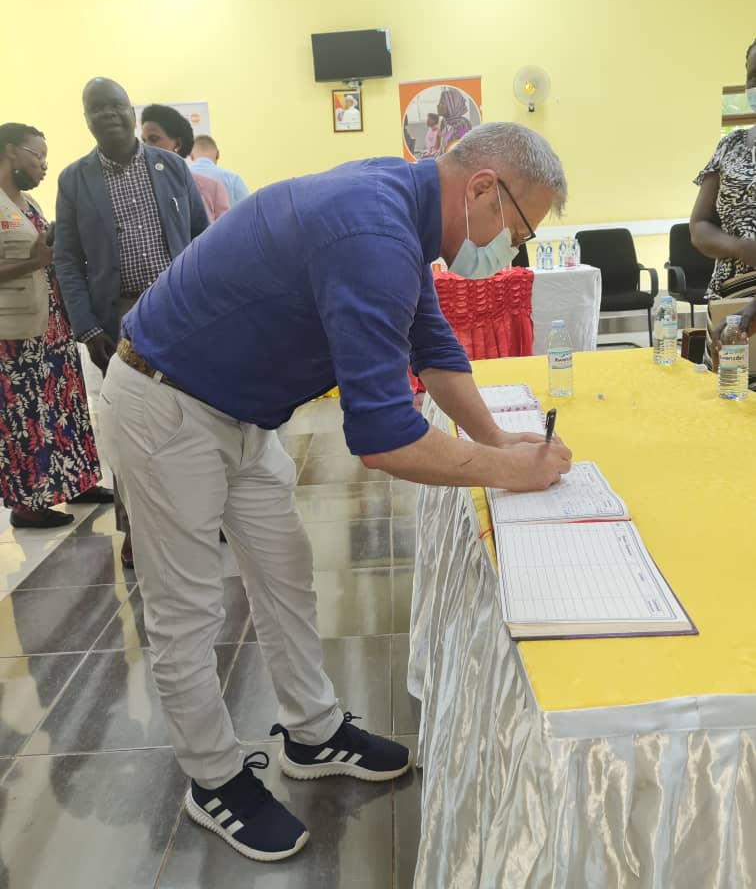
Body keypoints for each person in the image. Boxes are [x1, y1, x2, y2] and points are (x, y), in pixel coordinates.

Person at [97, 121, 571, 863]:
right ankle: (212, 776)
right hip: (167, 401)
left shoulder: (403, 205)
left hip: (241, 409)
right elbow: (383, 438)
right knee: (187, 608)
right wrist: (512, 471)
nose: (512, 247)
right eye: (519, 227)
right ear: (482, 188)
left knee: (284, 574)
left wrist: (495, 441)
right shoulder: (372, 229)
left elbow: (432, 343)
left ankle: (313, 733)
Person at [55, 78, 208, 566]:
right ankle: (135, 526)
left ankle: (204, 517)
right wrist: (87, 328)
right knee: (130, 427)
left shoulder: (171, 166)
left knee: (198, 416)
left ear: (131, 110)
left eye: (115, 106)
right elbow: (67, 260)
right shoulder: (74, 180)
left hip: (179, 309)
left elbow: (204, 239)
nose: (107, 115)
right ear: (86, 119)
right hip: (118, 320)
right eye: (96, 109)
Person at [0, 123, 112, 528]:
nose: (44, 164)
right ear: (11, 151)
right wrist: (34, 262)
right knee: (26, 416)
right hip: (14, 336)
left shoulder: (27, 202)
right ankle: (26, 504)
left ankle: (77, 483)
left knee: (65, 407)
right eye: (37, 155)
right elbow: (33, 260)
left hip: (52, 325)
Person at [691, 37, 756, 366]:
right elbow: (699, 225)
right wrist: (738, 247)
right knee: (729, 403)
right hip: (729, 302)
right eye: (752, 76)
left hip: (751, 311)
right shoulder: (730, 147)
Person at [141, 104, 229, 223]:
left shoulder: (211, 188)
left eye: (154, 139)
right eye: (144, 141)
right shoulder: (140, 189)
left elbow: (224, 234)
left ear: (177, 144)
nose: (145, 147)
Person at [189, 134, 249, 207]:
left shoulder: (180, 177)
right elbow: (247, 208)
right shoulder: (232, 179)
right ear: (218, 155)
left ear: (191, 156)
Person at [437, 87, 473, 154]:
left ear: (452, 106)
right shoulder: (444, 123)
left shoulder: (462, 124)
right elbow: (443, 147)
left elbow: (463, 151)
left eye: (441, 103)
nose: (438, 106)